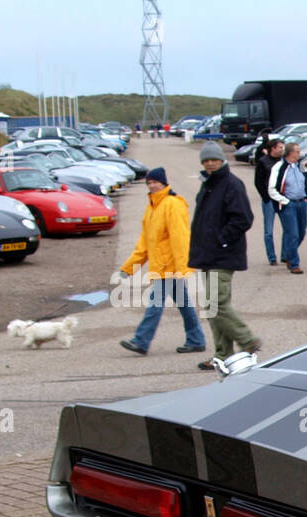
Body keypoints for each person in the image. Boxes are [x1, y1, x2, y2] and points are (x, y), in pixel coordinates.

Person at [118, 168, 207, 356]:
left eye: (155, 182)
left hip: (170, 266)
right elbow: (145, 242)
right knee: (184, 304)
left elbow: (181, 237)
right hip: (161, 265)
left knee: (155, 303)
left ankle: (141, 340)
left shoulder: (172, 204)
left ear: (164, 183)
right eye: (148, 183)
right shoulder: (152, 206)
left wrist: (183, 266)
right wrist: (130, 267)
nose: (151, 185)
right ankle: (196, 340)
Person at [190, 141, 260, 372]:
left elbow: (243, 219)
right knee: (211, 308)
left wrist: (222, 239)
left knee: (217, 304)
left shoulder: (231, 184)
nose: (210, 163)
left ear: (222, 160)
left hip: (223, 254)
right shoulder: (208, 184)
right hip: (208, 255)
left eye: (214, 159)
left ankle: (247, 339)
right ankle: (223, 355)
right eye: (206, 160)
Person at [268, 141, 307, 274]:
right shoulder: (278, 167)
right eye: (297, 151)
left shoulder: (301, 166)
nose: (300, 153)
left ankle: (287, 254)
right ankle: (294, 263)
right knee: (293, 234)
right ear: (290, 153)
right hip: (288, 204)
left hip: (301, 203)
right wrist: (284, 201)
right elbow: (272, 188)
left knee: (301, 232)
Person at [254, 137, 284, 265]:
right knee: (268, 231)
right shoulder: (263, 162)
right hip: (269, 200)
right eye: (280, 147)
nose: (282, 149)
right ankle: (272, 257)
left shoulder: (284, 162)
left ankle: (285, 255)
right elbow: (258, 182)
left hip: (282, 199)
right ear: (273, 148)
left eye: (283, 147)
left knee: (287, 229)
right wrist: (265, 197)